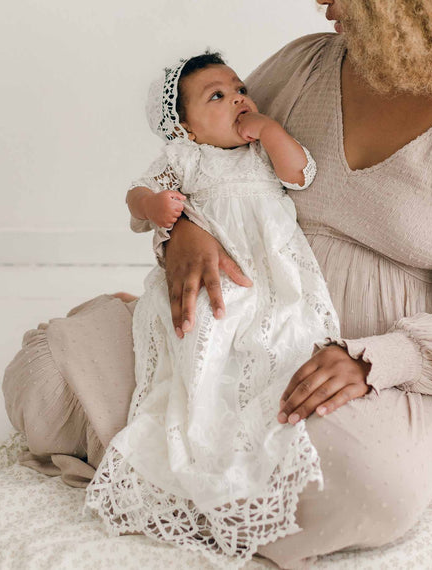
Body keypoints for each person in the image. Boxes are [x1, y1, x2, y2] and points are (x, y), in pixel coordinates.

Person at [2, 1, 432, 568]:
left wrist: (377, 361)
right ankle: (179, 403)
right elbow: (206, 164)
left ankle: (184, 469)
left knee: (367, 482)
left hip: (372, 366)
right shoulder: (308, 65)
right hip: (235, 328)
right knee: (43, 380)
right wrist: (179, 235)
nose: (322, 2)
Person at [84, 52, 341, 567]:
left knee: (283, 337)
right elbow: (137, 195)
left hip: (276, 274)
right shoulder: (186, 158)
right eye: (216, 97)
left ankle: (262, 430)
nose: (238, 100)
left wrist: (268, 130)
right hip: (218, 279)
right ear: (186, 127)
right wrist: (156, 209)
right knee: (207, 336)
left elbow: (301, 173)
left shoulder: (262, 152)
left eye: (240, 89)